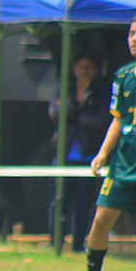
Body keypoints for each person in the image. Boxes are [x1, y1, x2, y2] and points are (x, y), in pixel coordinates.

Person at [71, 14, 136, 271]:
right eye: (132, 33)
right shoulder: (124, 76)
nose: (134, 39)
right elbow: (117, 120)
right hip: (125, 162)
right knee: (100, 222)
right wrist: (102, 153)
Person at [48, 53, 111, 252]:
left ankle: (77, 245)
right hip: (63, 156)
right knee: (59, 201)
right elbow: (56, 115)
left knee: (83, 203)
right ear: (74, 69)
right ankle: (55, 243)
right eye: (80, 66)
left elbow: (101, 122)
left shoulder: (101, 94)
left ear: (95, 71)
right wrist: (76, 107)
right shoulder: (64, 90)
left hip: (87, 157)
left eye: (89, 67)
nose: (84, 71)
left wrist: (75, 116)